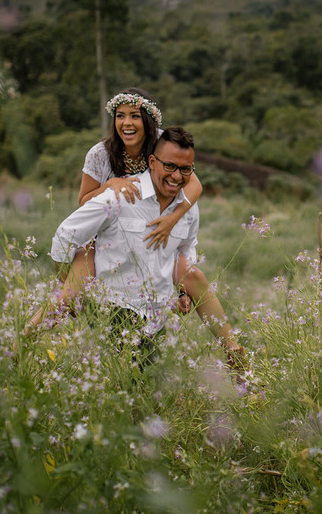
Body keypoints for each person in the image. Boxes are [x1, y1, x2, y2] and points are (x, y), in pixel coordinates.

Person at [48, 127, 243, 367]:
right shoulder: (121, 196)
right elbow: (65, 235)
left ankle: (235, 354)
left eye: (185, 169)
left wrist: (183, 292)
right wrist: (67, 283)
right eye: (170, 166)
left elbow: (187, 248)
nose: (176, 176)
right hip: (115, 311)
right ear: (152, 162)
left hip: (156, 319)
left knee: (152, 397)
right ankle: (22, 344)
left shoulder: (189, 209)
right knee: (127, 389)